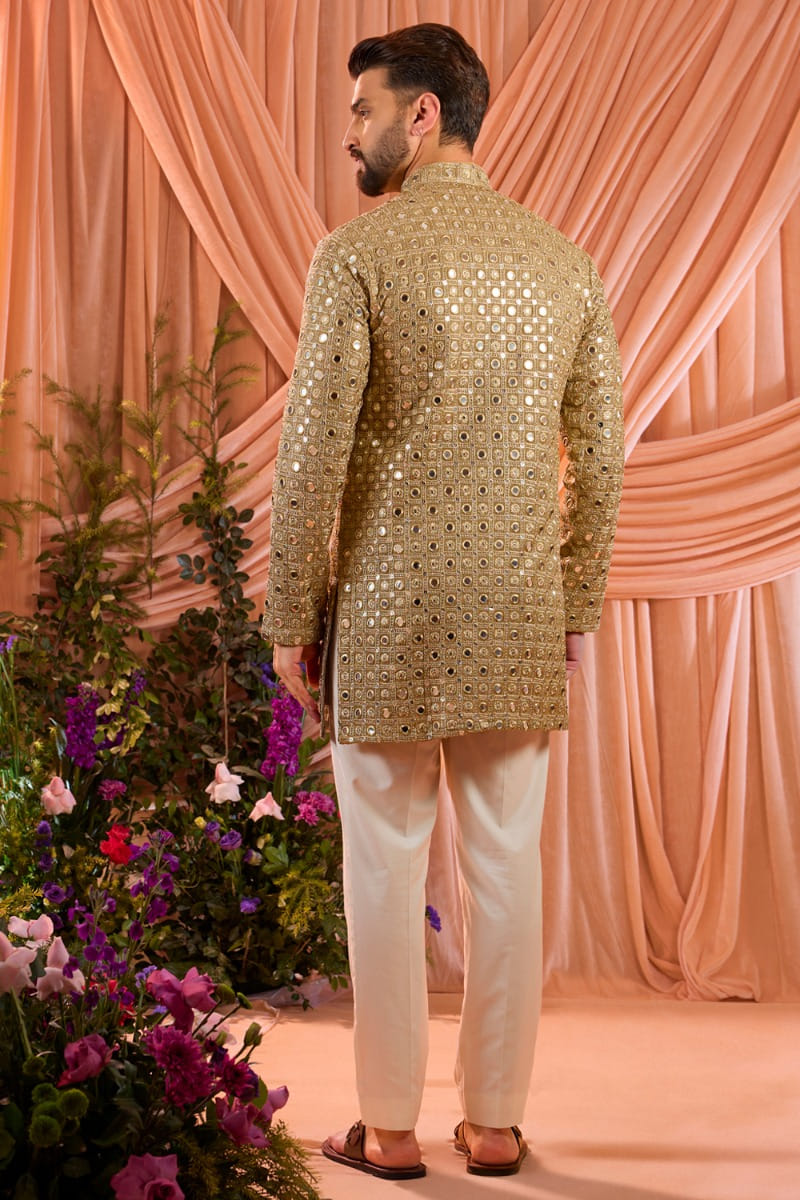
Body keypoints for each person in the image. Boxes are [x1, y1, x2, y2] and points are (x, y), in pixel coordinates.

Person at [262, 22, 624, 1180]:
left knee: (382, 872)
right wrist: (574, 602)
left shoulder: (357, 257)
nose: (351, 131)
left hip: (384, 618)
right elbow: (599, 457)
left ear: (421, 116)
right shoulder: (562, 263)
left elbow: (310, 455)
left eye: (363, 108)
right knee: (506, 869)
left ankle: (385, 1129)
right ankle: (496, 1124)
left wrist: (287, 615)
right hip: (514, 613)